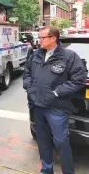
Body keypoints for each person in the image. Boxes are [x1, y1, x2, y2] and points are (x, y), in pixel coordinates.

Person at [23, 26, 87, 174]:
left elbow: (79, 80)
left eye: (42, 38)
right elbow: (27, 73)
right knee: (43, 141)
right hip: (37, 106)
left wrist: (57, 92)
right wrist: (29, 87)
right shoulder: (35, 55)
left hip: (57, 108)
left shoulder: (69, 56)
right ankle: (46, 170)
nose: (39, 41)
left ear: (53, 38)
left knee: (61, 142)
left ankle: (68, 171)